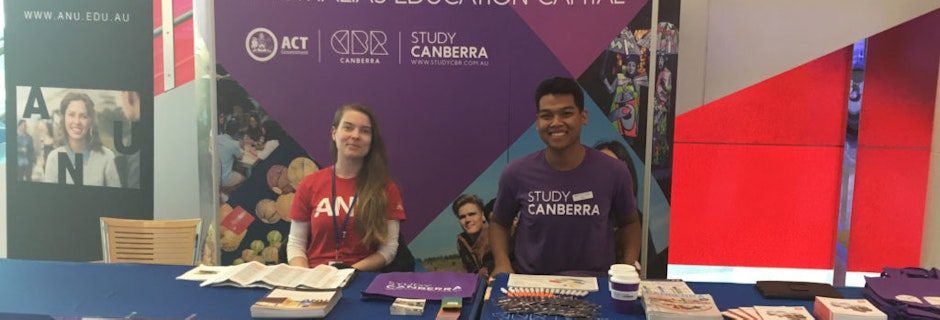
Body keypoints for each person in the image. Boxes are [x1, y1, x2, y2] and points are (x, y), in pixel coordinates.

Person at [490, 77, 641, 277]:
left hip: (597, 287)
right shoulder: (516, 173)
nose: (556, 123)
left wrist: (629, 266)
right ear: (537, 123)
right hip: (532, 286)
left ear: (583, 117)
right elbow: (499, 223)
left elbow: (630, 223)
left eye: (566, 113)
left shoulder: (614, 171)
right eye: (546, 116)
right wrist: (502, 264)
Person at [287, 103, 407, 271]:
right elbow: (296, 244)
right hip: (314, 277)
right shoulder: (309, 184)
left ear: (371, 140)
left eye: (365, 131)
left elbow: (389, 249)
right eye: (348, 128)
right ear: (334, 133)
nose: (356, 135)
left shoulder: (386, 188)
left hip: (361, 278)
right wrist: (305, 277)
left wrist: (351, 273)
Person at [43, 92, 121, 187]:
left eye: (83, 116)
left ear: (90, 121)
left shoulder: (107, 157)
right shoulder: (54, 159)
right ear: (63, 119)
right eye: (71, 115)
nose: (77, 121)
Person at [452, 194, 494, 278]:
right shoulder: (462, 242)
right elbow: (469, 271)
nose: (467, 220)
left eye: (472, 214)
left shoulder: (496, 236)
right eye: (462, 217)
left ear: (483, 216)